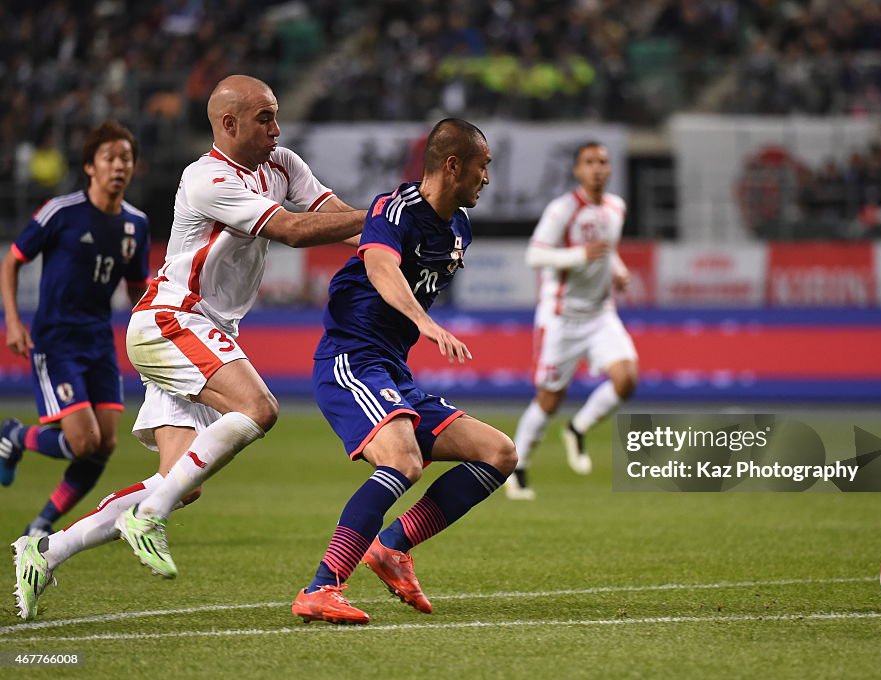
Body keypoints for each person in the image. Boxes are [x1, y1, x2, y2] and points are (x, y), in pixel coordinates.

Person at [11, 74, 366, 622]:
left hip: (203, 330)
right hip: (174, 320)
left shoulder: (284, 163)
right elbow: (295, 230)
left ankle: (45, 551)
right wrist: (394, 212)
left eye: (275, 115)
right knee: (260, 409)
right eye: (265, 118)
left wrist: (394, 236)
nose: (277, 127)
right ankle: (147, 515)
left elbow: (335, 218)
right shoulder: (205, 178)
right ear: (229, 123)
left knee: (183, 484)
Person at [290, 118, 516, 625]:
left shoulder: (460, 227)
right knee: (404, 460)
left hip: (394, 372)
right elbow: (381, 268)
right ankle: (322, 587)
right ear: (453, 165)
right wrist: (424, 321)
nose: (486, 179)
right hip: (351, 360)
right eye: (483, 167)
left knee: (499, 453)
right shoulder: (394, 210)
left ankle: (393, 546)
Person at [0, 121, 150, 538]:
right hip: (56, 341)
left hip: (99, 342)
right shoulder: (61, 212)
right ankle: (16, 435)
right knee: (84, 442)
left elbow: (138, 289)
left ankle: (41, 524)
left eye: (127, 158)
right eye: (110, 158)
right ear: (90, 166)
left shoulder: (136, 224)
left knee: (105, 445)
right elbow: (11, 260)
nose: (119, 166)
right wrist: (13, 320)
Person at [505, 141, 637, 500]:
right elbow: (534, 254)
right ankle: (517, 467)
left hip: (600, 314)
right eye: (589, 162)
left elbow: (608, 252)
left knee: (626, 379)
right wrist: (579, 255)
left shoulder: (615, 208)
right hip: (562, 317)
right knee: (550, 399)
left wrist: (619, 271)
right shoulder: (563, 209)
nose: (597, 168)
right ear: (578, 170)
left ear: (609, 170)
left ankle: (578, 429)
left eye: (603, 162)